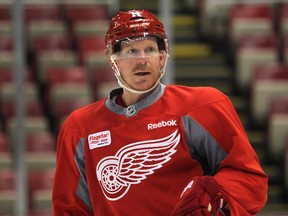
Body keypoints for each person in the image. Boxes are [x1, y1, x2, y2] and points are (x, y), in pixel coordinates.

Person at [52, 9, 268, 215]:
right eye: (132, 51)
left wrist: (217, 195)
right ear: (113, 59)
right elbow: (70, 209)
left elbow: (249, 178)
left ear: (162, 57)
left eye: (150, 50)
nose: (142, 59)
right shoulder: (79, 129)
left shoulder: (201, 107)